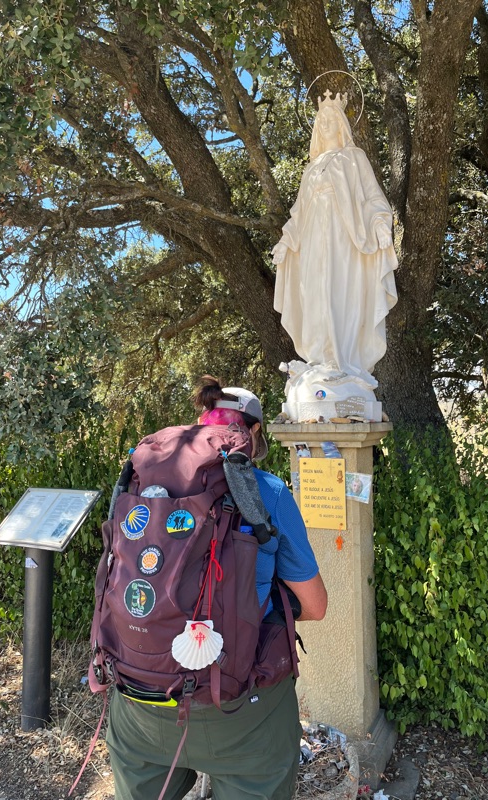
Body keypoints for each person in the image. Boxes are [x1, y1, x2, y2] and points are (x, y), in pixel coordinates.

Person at [105, 375, 328, 800]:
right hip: (240, 711)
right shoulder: (268, 491)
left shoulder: (142, 488)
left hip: (140, 702)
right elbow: (315, 606)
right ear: (253, 432)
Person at [272, 90, 398, 390]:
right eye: (321, 120)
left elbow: (373, 198)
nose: (326, 123)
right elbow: (299, 213)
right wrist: (285, 241)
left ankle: (344, 360)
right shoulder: (311, 168)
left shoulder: (354, 158)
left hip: (345, 239)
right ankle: (319, 359)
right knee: (315, 294)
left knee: (339, 292)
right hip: (313, 240)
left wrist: (380, 224)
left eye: (331, 118)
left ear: (342, 123)